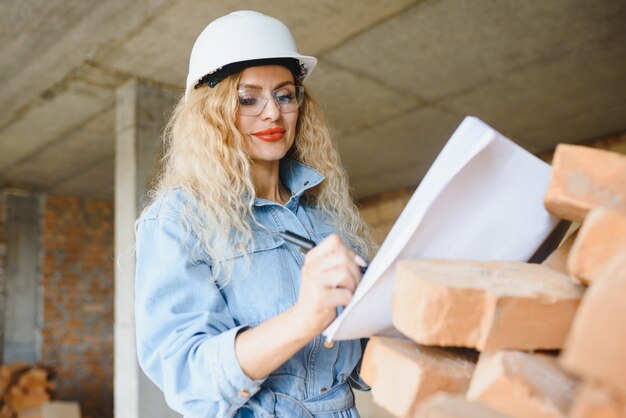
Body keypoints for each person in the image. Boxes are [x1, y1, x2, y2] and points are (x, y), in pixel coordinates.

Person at [134, 10, 377, 418]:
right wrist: (305, 317)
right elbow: (188, 377)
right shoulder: (179, 220)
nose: (272, 113)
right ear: (212, 113)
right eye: (248, 99)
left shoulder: (325, 217)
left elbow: (362, 368)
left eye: (285, 95)